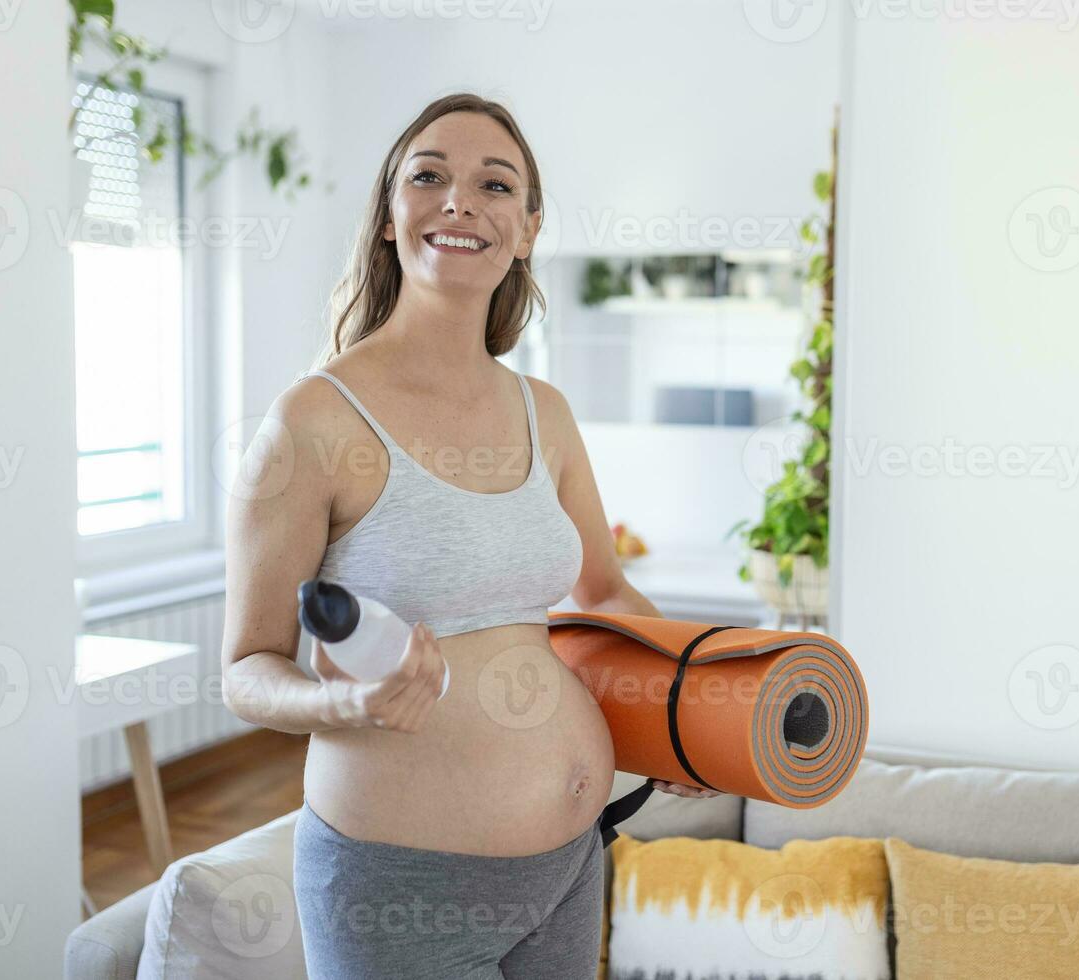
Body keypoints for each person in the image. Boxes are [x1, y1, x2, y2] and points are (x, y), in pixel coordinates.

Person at [220, 92, 716, 980]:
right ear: (387, 215)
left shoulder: (545, 412)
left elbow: (602, 594)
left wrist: (684, 712)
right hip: (400, 886)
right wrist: (340, 705)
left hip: (567, 865)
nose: (460, 201)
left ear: (526, 230)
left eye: (494, 184)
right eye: (429, 176)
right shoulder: (314, 421)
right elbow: (247, 670)